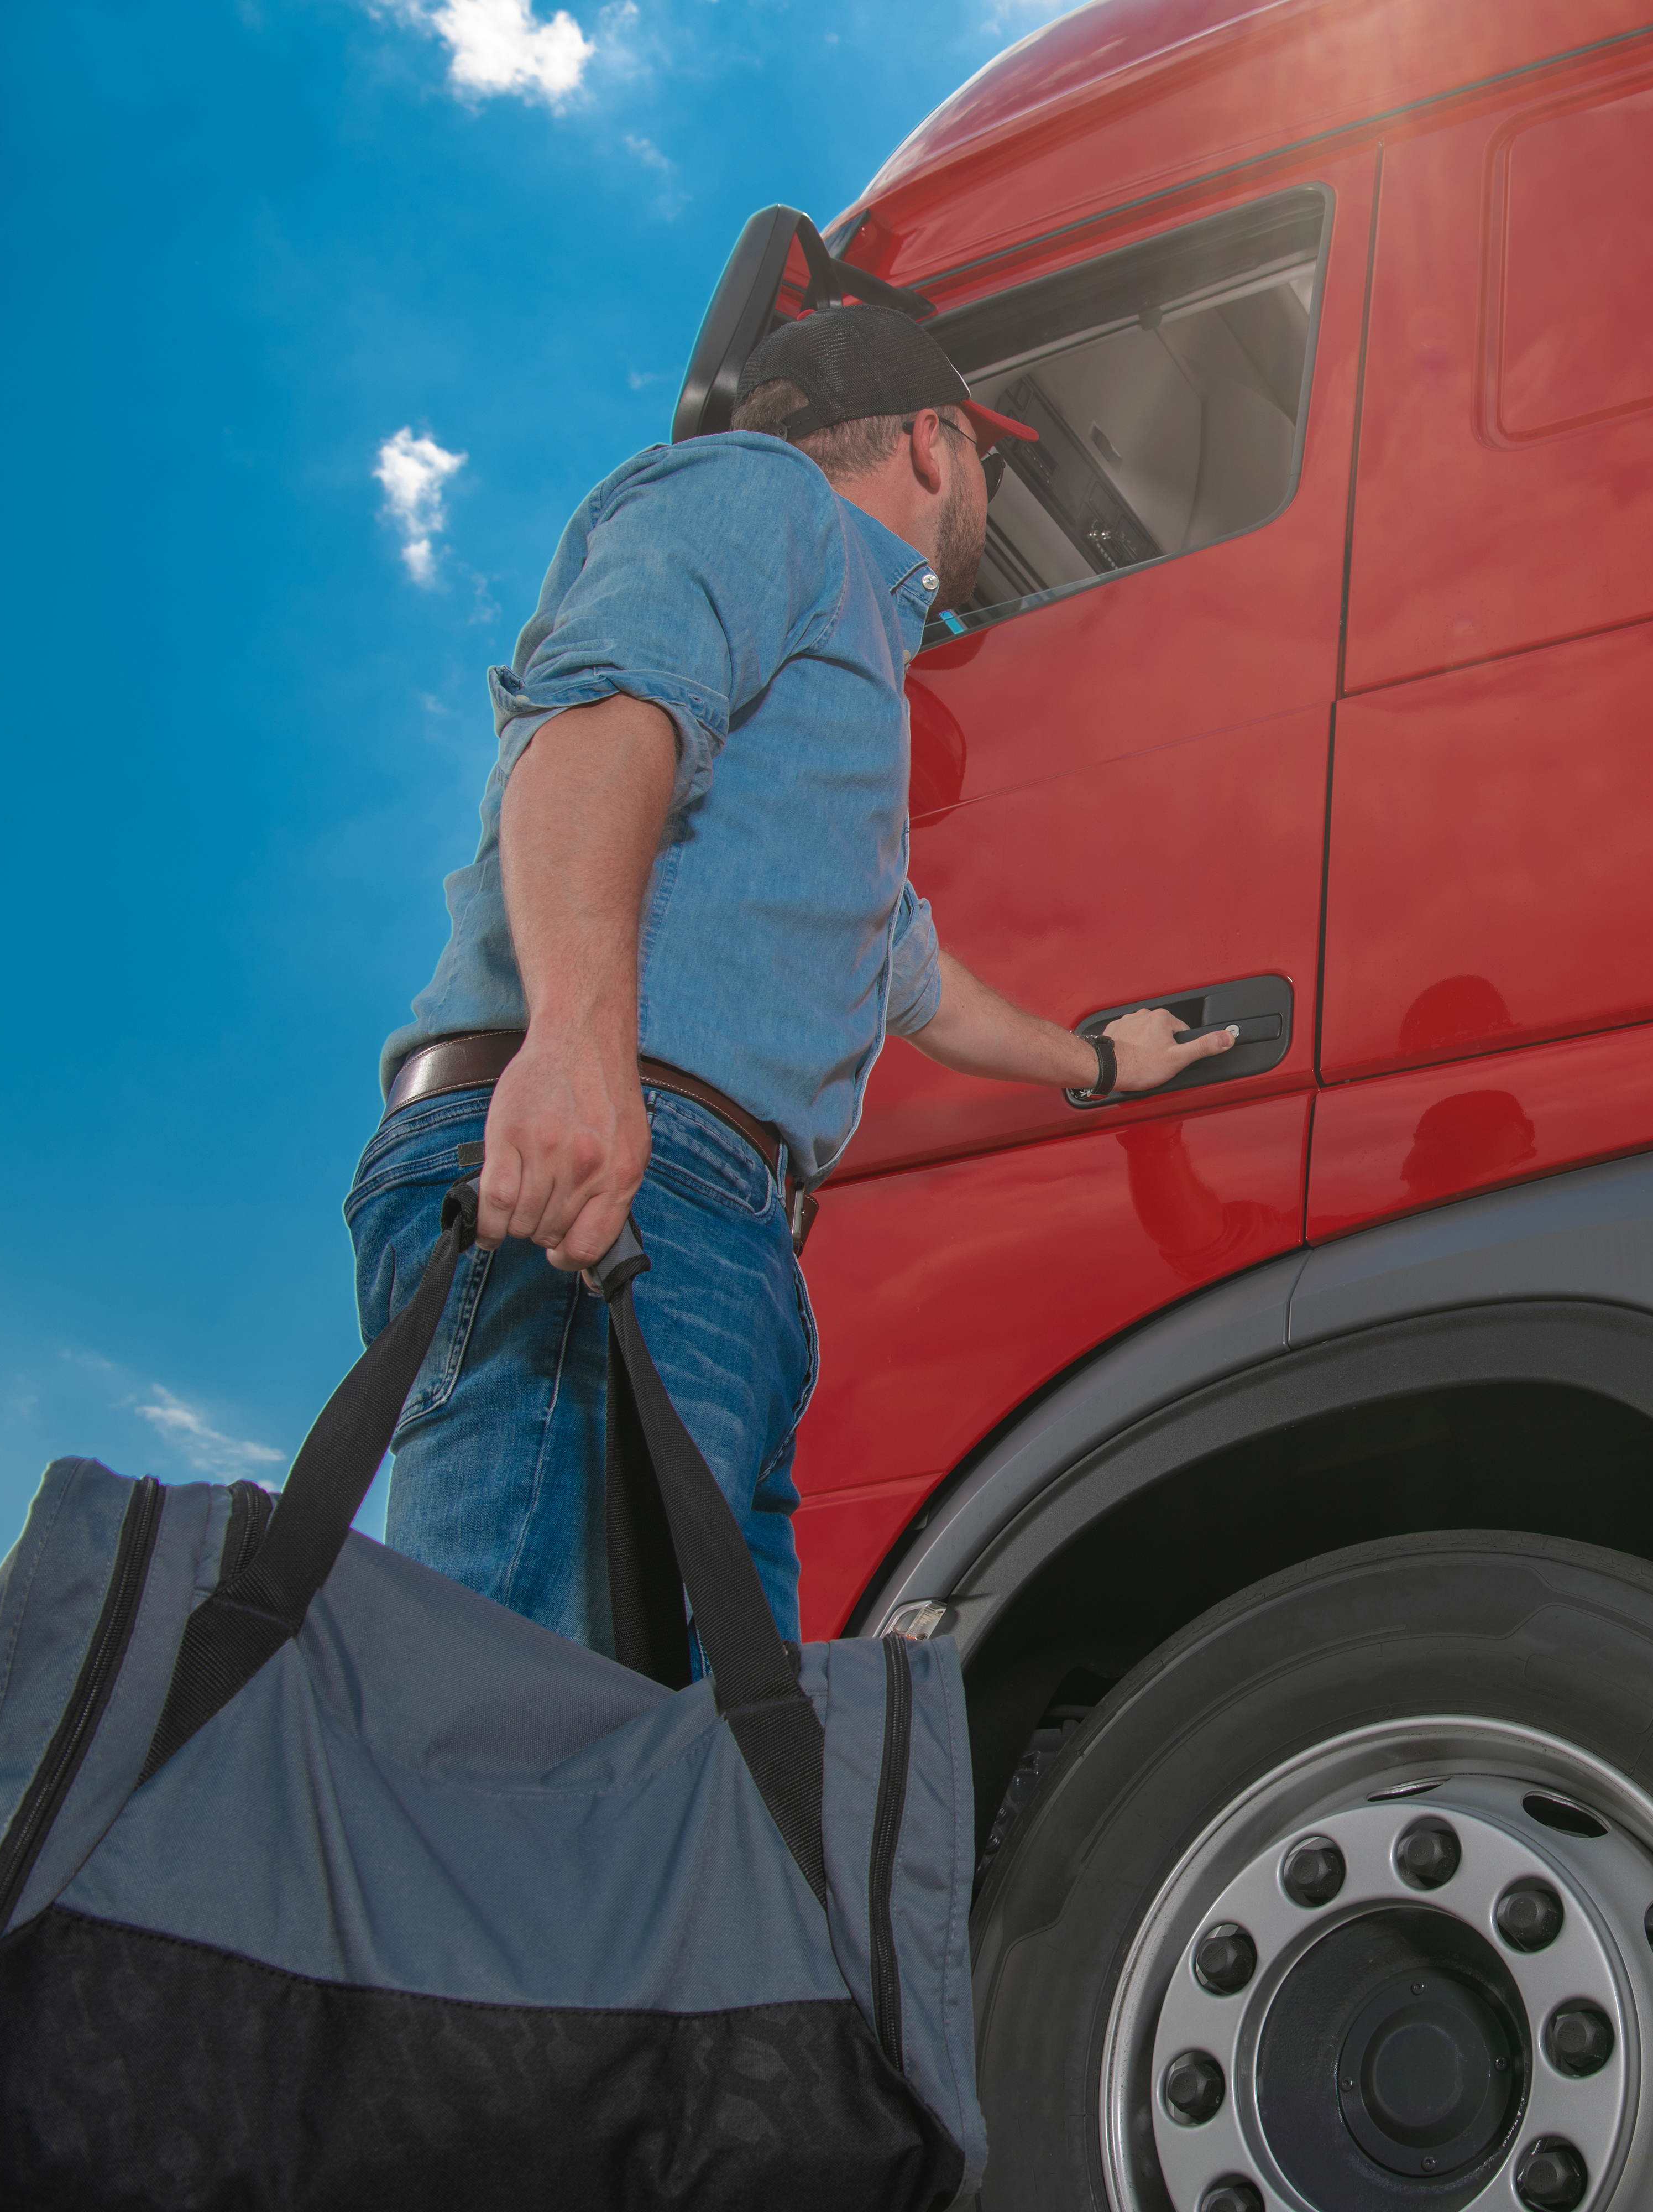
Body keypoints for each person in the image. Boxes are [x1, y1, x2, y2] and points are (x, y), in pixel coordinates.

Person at [349, 304, 1232, 1655]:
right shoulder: (764, 498)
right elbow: (599, 720)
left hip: (719, 1227)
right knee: (522, 1759)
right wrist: (582, 1049)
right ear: (933, 445)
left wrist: (1105, 1061)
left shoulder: (843, 677)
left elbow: (908, 971)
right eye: (989, 457)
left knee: (699, 1783)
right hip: (619, 1178)